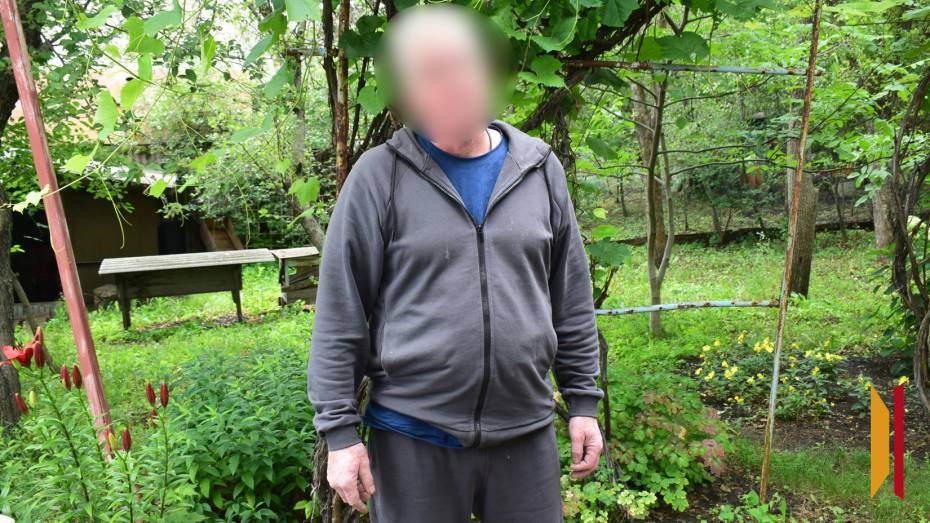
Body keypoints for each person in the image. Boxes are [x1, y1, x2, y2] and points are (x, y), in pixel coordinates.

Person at [307, 4, 604, 522]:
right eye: (432, 72)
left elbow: (571, 299)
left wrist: (582, 402)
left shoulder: (539, 169)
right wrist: (339, 432)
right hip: (412, 437)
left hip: (525, 435)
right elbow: (340, 311)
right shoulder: (378, 178)